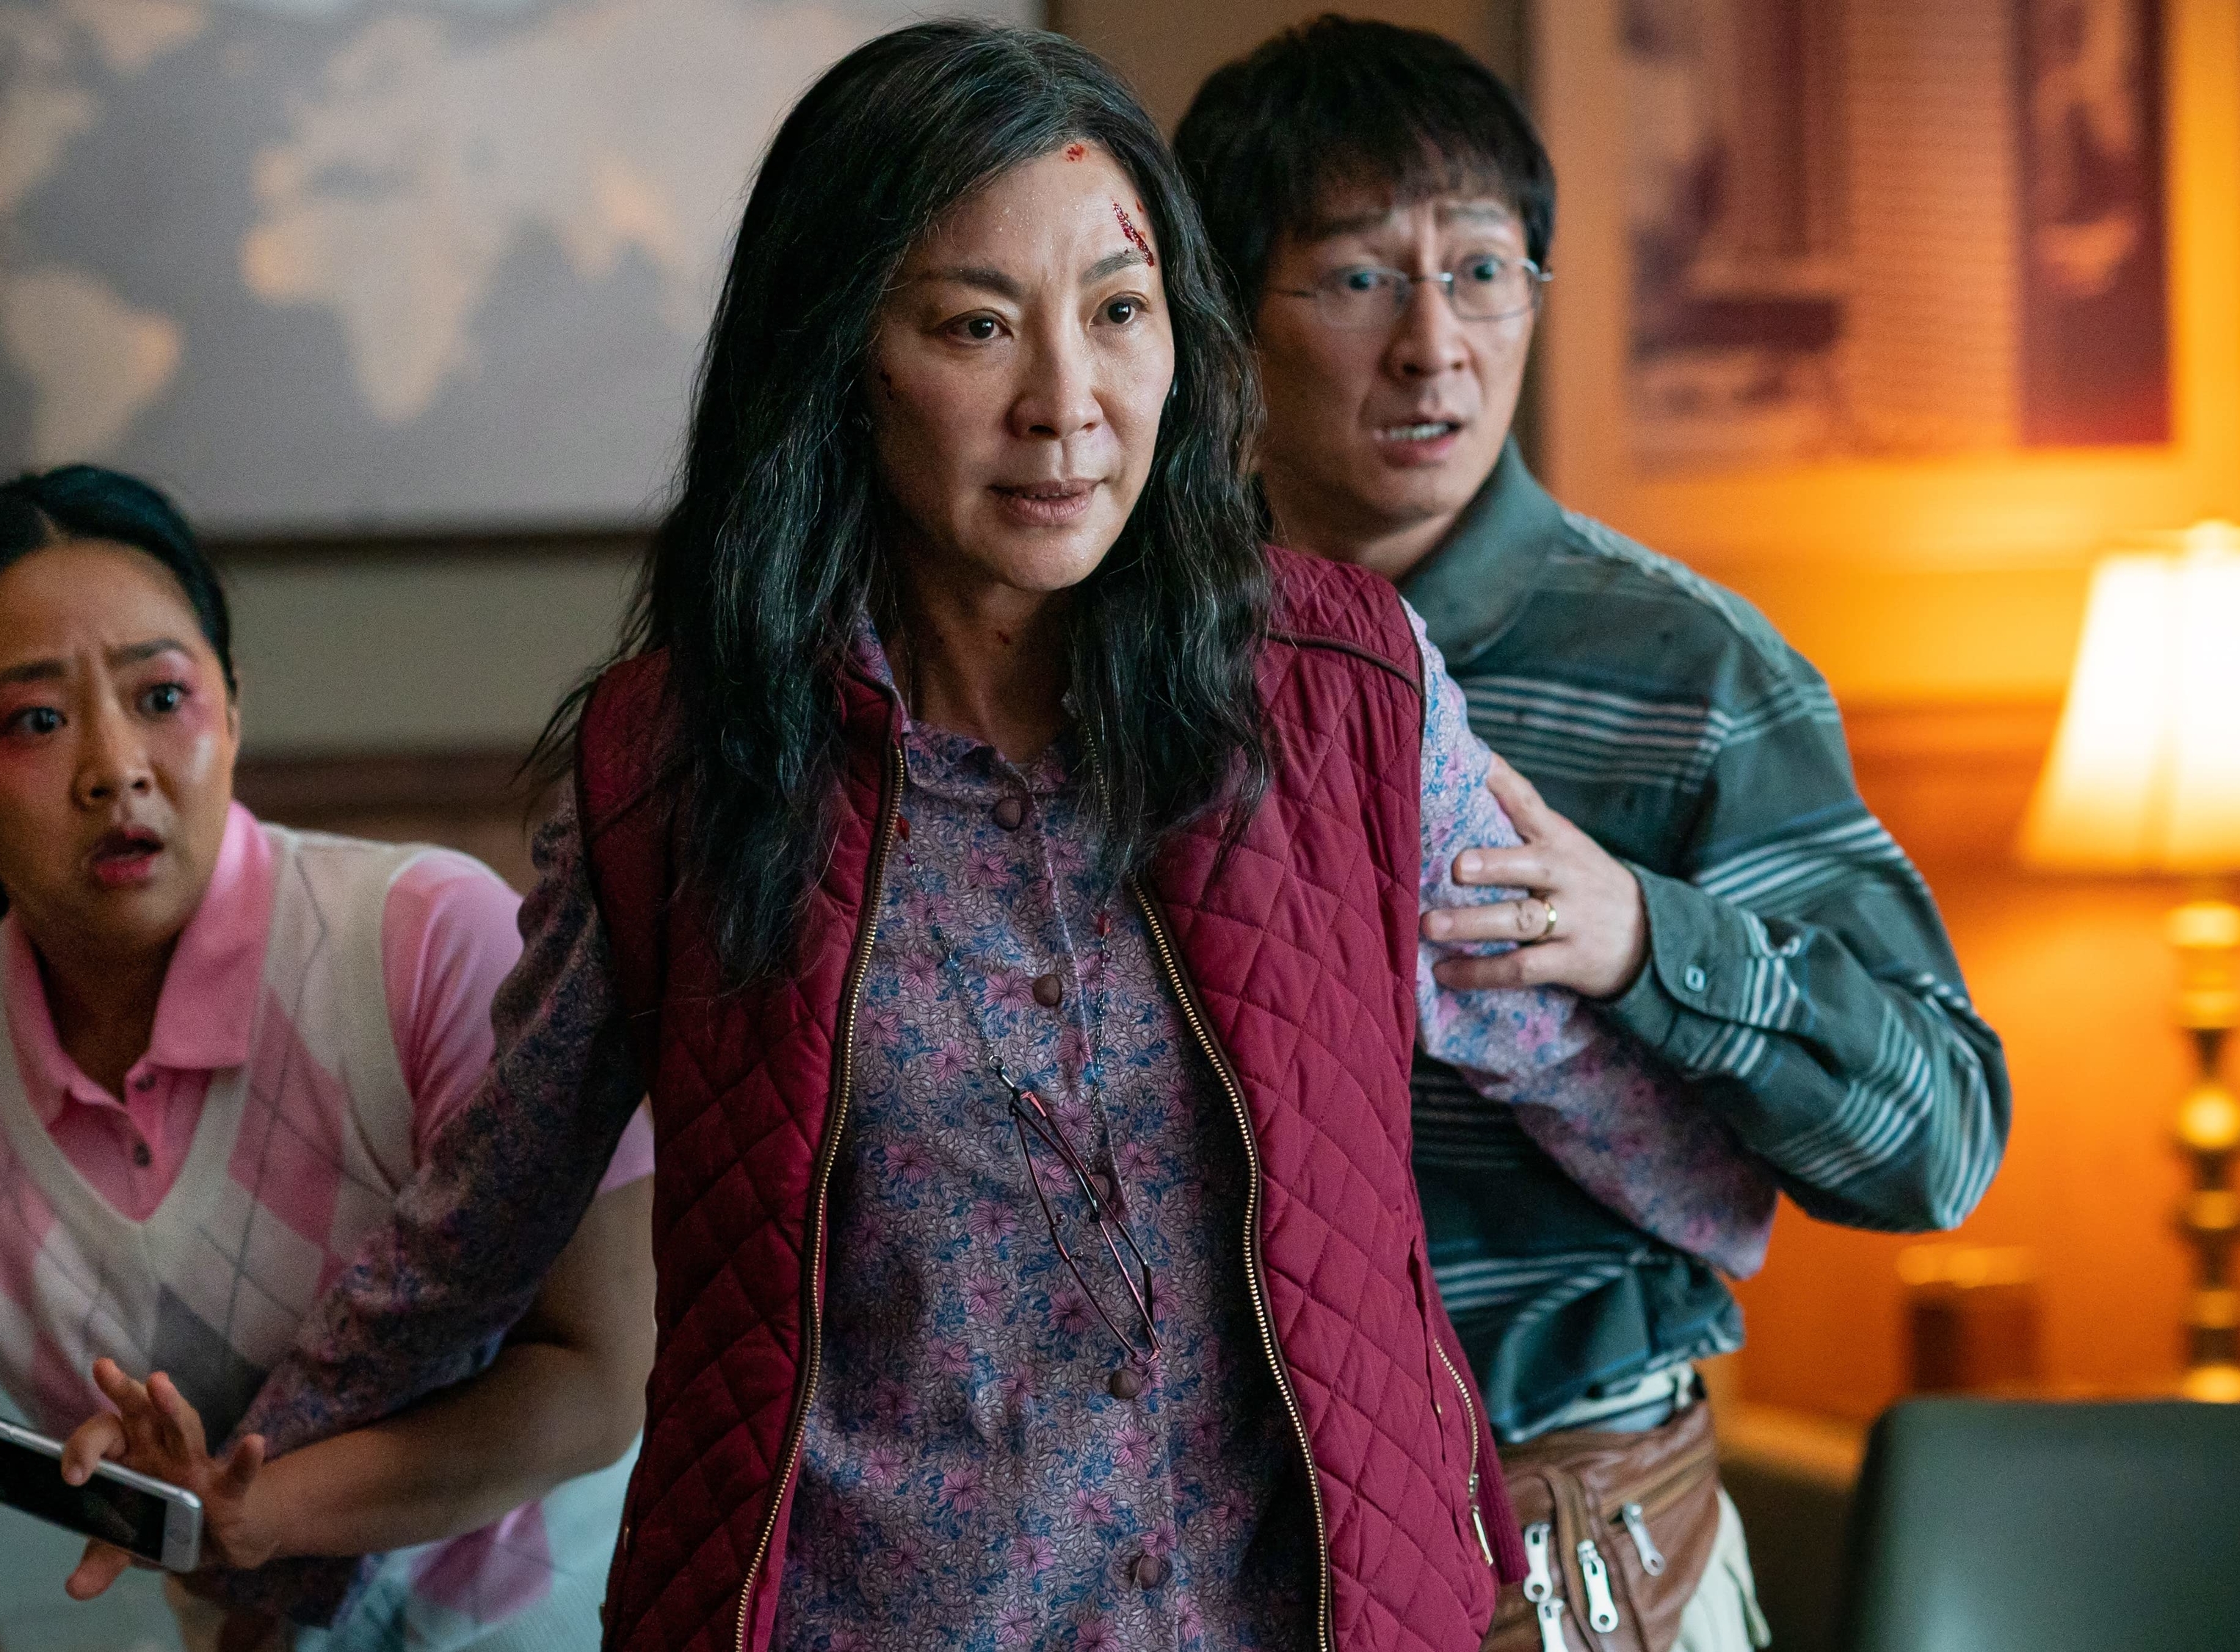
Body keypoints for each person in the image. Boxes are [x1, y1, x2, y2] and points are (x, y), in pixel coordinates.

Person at [135, 22, 1777, 1652]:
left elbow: (1541, 1044)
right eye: (977, 326)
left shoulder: (1344, 687)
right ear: (846, 357)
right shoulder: (681, 767)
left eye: (1118, 312)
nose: (1066, 406)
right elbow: (491, 1202)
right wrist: (249, 1489)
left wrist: (1742, 1179)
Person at [1178, 19, 2012, 1651]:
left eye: (1483, 273)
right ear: (1222, 313)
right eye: (1357, 278)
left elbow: (1940, 1141)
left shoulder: (1691, 671)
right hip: (1210, 1550)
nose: (1434, 347)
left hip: (1572, 1546)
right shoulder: (1136, 657)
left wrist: (1639, 937)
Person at [0, 466, 657, 1652]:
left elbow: (601, 1371)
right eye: (35, 721)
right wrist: (229, 1528)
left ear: (233, 709)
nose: (115, 766)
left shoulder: (427, 945)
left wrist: (265, 1511)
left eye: (161, 696)